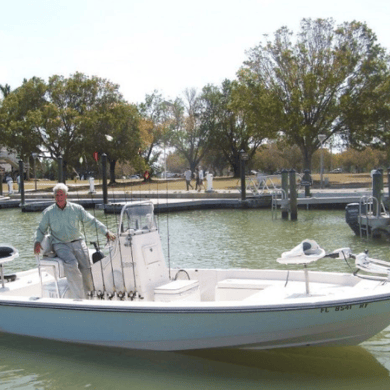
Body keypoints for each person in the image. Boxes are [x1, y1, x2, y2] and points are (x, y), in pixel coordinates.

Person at [34, 183, 116, 299]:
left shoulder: (77, 209)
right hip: (60, 244)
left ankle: (90, 295)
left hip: (78, 242)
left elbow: (92, 221)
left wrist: (106, 232)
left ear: (66, 196)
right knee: (72, 264)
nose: (59, 197)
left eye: (61, 194)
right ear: (54, 197)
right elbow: (41, 229)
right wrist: (37, 242)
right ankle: (79, 298)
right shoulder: (48, 212)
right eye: (56, 195)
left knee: (86, 267)